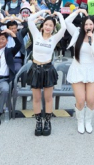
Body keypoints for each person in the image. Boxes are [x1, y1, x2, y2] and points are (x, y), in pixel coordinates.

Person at [26, 9, 66, 137]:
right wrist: (43, 11)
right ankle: (38, 122)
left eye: (51, 25)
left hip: (48, 69)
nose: (48, 27)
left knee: (48, 99)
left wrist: (58, 14)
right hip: (35, 68)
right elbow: (29, 19)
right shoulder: (36, 34)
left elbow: (64, 28)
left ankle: (47, 122)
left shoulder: (54, 39)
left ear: (53, 28)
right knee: (36, 98)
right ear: (42, 25)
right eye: (46, 24)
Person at [65, 8, 94, 134]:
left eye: (90, 24)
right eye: (86, 24)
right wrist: (78, 11)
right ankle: (80, 121)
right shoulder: (77, 33)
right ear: (83, 25)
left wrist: (92, 41)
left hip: (92, 70)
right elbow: (67, 21)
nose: (88, 26)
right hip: (78, 69)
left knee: (91, 100)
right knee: (80, 100)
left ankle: (88, 121)